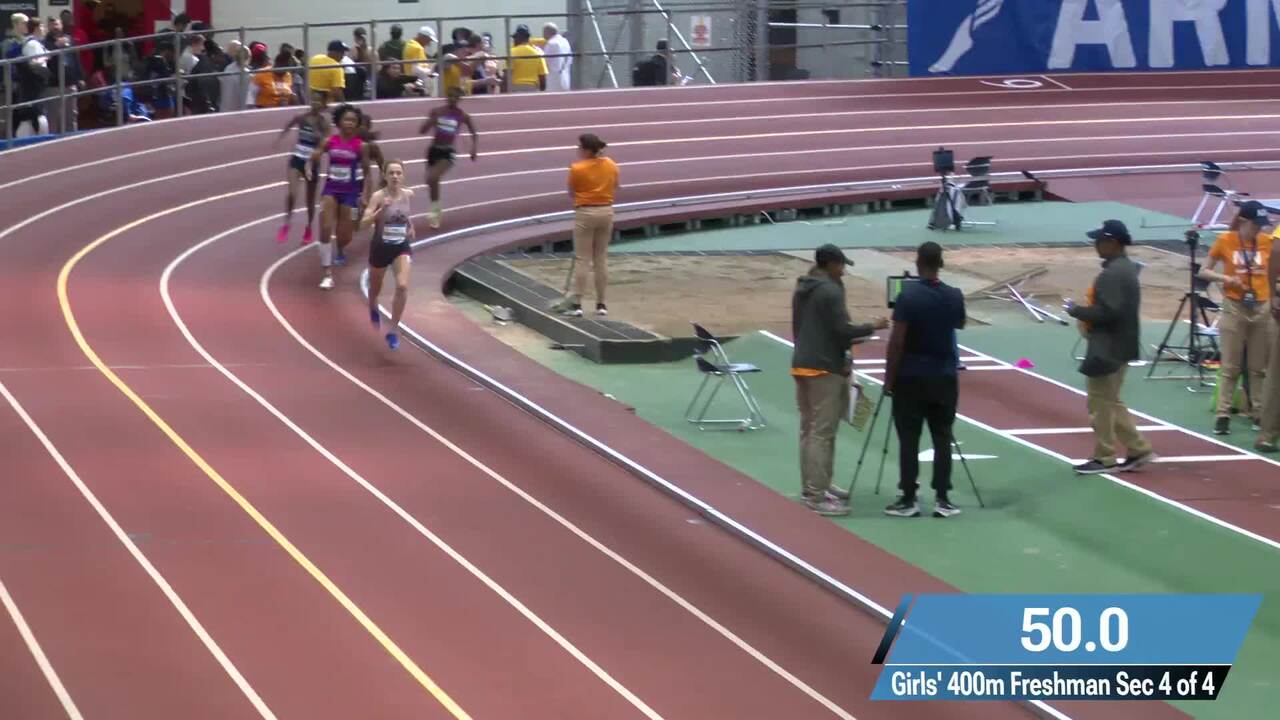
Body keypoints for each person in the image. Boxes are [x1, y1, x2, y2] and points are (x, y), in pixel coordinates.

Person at [790, 244, 888, 516]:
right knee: (822, 432)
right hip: (824, 368)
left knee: (810, 430)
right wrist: (872, 327)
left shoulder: (803, 287)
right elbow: (842, 331)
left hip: (803, 363)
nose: (844, 271)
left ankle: (817, 484)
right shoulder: (831, 291)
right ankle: (815, 495)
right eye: (841, 265)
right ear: (831, 264)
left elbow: (804, 328)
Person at [1064, 220, 1157, 474]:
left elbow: (1108, 312)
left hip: (1108, 347)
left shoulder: (1113, 274)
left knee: (1100, 404)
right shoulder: (1124, 269)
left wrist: (1076, 311)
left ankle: (1104, 456)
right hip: (1120, 344)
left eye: (1100, 241)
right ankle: (1138, 448)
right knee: (1110, 400)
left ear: (1113, 242)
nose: (1096, 245)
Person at [882, 242, 967, 519]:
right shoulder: (954, 295)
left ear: (918, 263)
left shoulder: (907, 296)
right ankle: (943, 499)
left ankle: (909, 498)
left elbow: (897, 341)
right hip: (944, 377)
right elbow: (960, 323)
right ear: (941, 263)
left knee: (909, 438)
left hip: (910, 377)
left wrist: (888, 379)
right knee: (942, 436)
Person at [1199, 202, 1274, 436]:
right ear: (1243, 221)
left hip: (1262, 308)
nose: (1259, 229)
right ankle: (1223, 415)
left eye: (1262, 225)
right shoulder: (1226, 240)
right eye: (1255, 225)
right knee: (1230, 366)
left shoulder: (1268, 242)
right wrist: (1226, 279)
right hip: (1234, 307)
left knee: (1258, 367)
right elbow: (1203, 271)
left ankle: (1258, 413)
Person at [308, 104, 372, 289]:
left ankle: (341, 248)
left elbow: (367, 172)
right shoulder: (330, 141)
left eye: (353, 120)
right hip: (331, 190)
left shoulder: (361, 146)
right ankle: (327, 273)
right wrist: (308, 166)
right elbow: (316, 155)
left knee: (345, 235)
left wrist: (366, 195)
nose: (350, 123)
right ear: (339, 122)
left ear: (358, 124)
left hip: (351, 193)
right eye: (346, 119)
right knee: (325, 228)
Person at [560, 133, 619, 317]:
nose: (577, 150)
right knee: (600, 258)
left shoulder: (577, 168)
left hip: (585, 213)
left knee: (582, 259)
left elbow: (571, 192)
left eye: (579, 147)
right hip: (606, 211)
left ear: (586, 150)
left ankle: (577, 304)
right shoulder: (611, 164)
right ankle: (601, 304)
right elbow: (616, 185)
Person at [361, 160, 416, 351]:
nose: (395, 176)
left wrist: (410, 226)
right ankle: (372, 304)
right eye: (391, 173)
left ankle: (393, 330)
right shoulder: (378, 196)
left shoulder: (408, 194)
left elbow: (404, 215)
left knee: (402, 286)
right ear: (384, 176)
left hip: (401, 247)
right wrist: (380, 211)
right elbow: (363, 223)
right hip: (380, 248)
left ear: (403, 176)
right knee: (375, 289)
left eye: (398, 173)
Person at [274, 92, 331, 245]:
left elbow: (327, 143)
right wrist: (280, 138)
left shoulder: (323, 123)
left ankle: (309, 227)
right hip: (297, 159)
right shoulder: (301, 117)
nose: (315, 103)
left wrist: (319, 135)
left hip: (312, 163)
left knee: (310, 200)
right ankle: (287, 223)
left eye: (318, 101)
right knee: (292, 194)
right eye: (313, 100)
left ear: (323, 105)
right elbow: (289, 124)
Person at [418, 87, 478, 228]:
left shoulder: (463, 116)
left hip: (448, 152)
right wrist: (431, 120)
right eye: (450, 96)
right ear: (447, 97)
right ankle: (436, 209)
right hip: (433, 150)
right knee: (432, 183)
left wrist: (474, 148)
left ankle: (435, 214)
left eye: (456, 97)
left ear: (459, 99)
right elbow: (422, 131)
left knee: (432, 178)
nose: (452, 99)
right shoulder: (437, 111)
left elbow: (474, 133)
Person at [508, 25, 547, 92]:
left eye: (515, 38)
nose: (514, 40)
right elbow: (543, 80)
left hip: (515, 89)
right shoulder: (537, 53)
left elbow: (507, 75)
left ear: (519, 37)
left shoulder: (511, 52)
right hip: (533, 89)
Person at [542, 23, 572, 92]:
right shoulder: (565, 41)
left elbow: (544, 62)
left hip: (553, 81)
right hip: (565, 79)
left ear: (547, 32)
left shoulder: (551, 43)